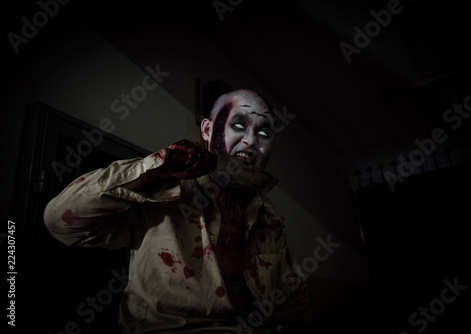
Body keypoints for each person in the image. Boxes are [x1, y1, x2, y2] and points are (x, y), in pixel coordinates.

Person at [44, 89, 316, 333]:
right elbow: (59, 221)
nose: (251, 141)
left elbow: (292, 304)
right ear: (208, 130)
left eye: (264, 133)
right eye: (238, 125)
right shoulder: (163, 188)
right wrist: (157, 171)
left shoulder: (270, 215)